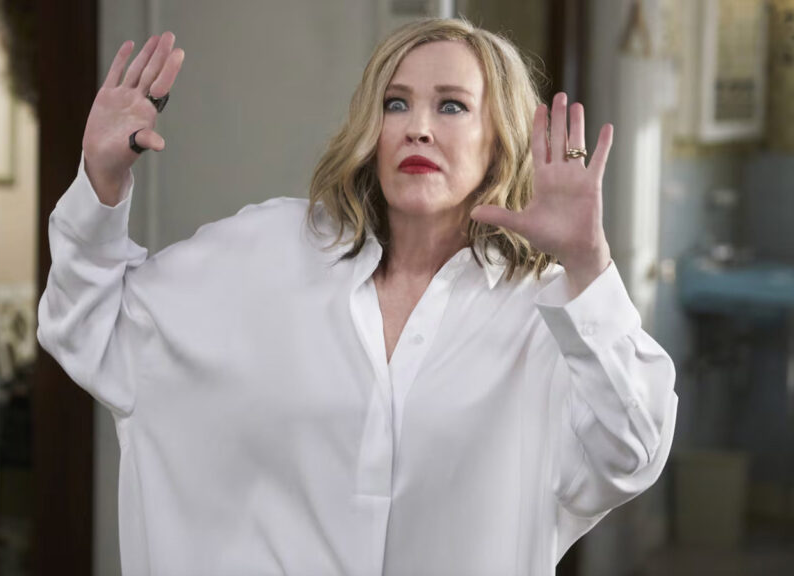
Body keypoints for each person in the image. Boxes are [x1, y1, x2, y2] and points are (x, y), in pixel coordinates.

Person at [38, 18, 678, 576]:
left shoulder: (544, 313)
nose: (418, 128)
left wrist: (587, 264)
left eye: (451, 106)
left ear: (499, 139)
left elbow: (632, 452)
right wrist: (101, 178)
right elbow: (90, 327)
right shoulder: (266, 251)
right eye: (396, 104)